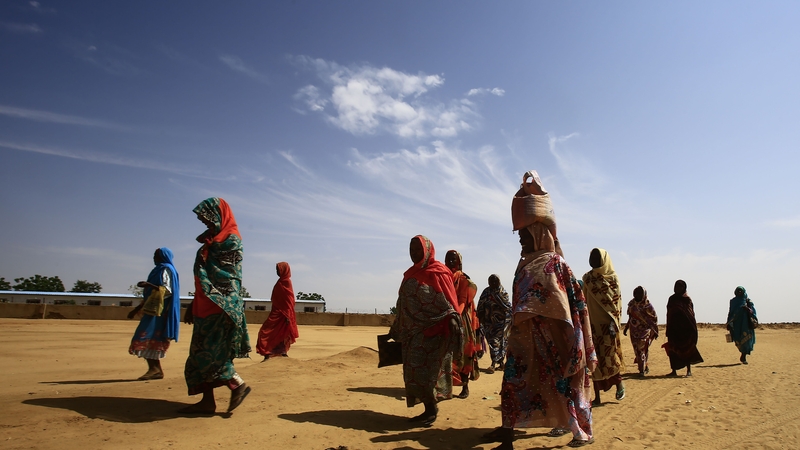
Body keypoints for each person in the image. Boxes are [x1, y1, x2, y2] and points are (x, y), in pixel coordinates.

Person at [486, 224, 597, 449]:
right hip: (523, 337)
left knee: (561, 385)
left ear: (538, 236)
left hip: (552, 337)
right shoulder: (525, 262)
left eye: (524, 235)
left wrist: (533, 309)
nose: (520, 240)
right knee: (512, 382)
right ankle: (507, 435)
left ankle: (579, 431)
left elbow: (567, 296)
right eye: (520, 236)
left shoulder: (555, 262)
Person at [180, 197, 251, 414]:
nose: (205, 222)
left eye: (207, 217)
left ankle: (237, 384)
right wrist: (194, 303)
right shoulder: (213, 240)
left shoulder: (230, 241)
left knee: (213, 354)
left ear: (220, 214)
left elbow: (228, 277)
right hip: (205, 305)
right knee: (199, 354)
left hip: (221, 306)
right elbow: (203, 278)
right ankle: (207, 401)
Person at [389, 235, 461, 427]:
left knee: (430, 373)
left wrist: (453, 318)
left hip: (434, 332)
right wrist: (395, 328)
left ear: (428, 250)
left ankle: (431, 410)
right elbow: (402, 303)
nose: (413, 252)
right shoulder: (409, 274)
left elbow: (450, 301)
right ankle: (428, 409)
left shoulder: (439, 272)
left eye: (417, 249)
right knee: (413, 372)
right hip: (413, 333)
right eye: (411, 249)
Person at [127, 247, 181, 380]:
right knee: (147, 338)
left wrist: (148, 285)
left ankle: (155, 369)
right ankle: (155, 369)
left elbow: (167, 290)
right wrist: (136, 309)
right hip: (153, 310)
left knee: (146, 337)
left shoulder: (166, 269)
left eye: (156, 255)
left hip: (159, 313)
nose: (154, 258)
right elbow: (151, 296)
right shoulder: (158, 270)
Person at [582, 248, 626, 405]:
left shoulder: (612, 279)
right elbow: (584, 298)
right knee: (594, 361)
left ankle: (619, 384)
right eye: (591, 257)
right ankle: (598, 397)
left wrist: (615, 323)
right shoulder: (587, 278)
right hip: (592, 326)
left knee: (610, 358)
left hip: (608, 326)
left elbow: (616, 304)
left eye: (596, 257)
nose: (593, 260)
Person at [444, 250, 481, 399]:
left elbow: (463, 301)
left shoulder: (464, 280)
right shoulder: (443, 277)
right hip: (446, 318)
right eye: (448, 259)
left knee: (464, 353)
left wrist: (454, 315)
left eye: (454, 259)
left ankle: (465, 386)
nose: (451, 262)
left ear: (459, 261)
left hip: (461, 321)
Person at [256, 262, 299, 360]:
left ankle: (281, 352)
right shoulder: (279, 282)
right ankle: (269, 353)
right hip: (276, 313)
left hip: (284, 314)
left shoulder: (287, 282)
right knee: (265, 332)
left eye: (278, 269)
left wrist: (287, 315)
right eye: (276, 270)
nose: (277, 272)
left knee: (282, 333)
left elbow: (289, 301)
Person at [664, 280, 703, 377]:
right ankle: (674, 371)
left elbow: (691, 314)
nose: (678, 289)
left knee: (687, 349)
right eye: (676, 286)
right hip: (674, 328)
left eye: (680, 287)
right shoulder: (672, 299)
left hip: (686, 329)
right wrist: (668, 327)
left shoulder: (687, 299)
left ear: (684, 288)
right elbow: (669, 313)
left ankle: (688, 370)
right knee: (673, 350)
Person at [476, 274, 512, 374]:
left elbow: (508, 307)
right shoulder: (486, 292)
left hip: (501, 323)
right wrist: (481, 317)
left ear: (499, 282)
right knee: (493, 342)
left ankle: (493, 363)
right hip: (488, 323)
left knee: (498, 343)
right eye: (491, 281)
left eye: (495, 281)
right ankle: (500, 364)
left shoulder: (503, 293)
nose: (493, 283)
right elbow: (480, 305)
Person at [622, 286, 658, 376]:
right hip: (634, 331)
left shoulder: (648, 305)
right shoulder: (632, 304)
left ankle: (641, 370)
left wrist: (655, 330)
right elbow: (630, 317)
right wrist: (626, 327)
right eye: (636, 293)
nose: (637, 295)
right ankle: (644, 366)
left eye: (640, 293)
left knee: (642, 348)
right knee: (637, 350)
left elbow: (653, 319)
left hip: (645, 331)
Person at [726, 286, 757, 364]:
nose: (739, 293)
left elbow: (753, 311)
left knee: (747, 340)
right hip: (737, 324)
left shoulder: (748, 301)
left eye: (741, 291)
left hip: (746, 324)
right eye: (738, 291)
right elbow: (731, 312)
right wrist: (728, 322)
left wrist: (747, 309)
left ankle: (743, 356)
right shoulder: (733, 301)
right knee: (738, 339)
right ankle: (742, 354)